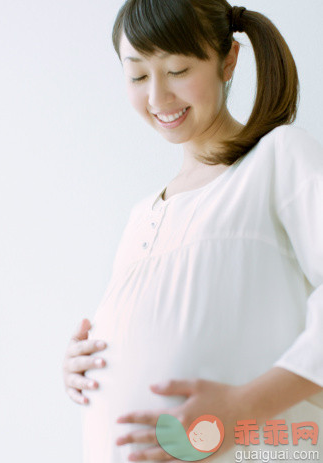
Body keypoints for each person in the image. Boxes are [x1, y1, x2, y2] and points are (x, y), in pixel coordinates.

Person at [62, 1, 323, 462]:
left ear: (228, 61)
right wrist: (83, 365)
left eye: (178, 69)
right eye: (138, 75)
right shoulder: (142, 213)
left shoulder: (279, 158)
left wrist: (241, 409)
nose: (158, 98)